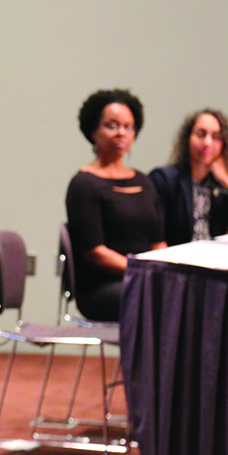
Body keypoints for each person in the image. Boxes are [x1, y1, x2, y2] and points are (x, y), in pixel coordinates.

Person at [65, 89, 166, 322]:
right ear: (94, 131)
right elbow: (95, 253)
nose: (121, 133)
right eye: (112, 126)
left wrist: (156, 271)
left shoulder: (144, 182)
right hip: (102, 288)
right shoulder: (84, 184)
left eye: (128, 127)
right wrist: (141, 271)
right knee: (160, 297)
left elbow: (158, 242)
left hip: (144, 279)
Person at [150, 108, 228, 246]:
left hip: (212, 259)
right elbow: (156, 237)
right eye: (200, 134)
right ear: (188, 139)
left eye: (216, 137)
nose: (207, 143)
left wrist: (226, 182)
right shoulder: (165, 179)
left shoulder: (219, 184)